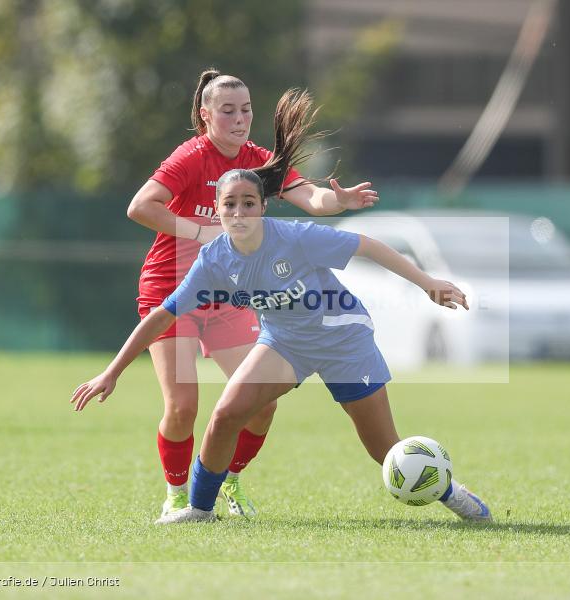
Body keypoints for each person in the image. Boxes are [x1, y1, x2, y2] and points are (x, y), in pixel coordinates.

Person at [73, 168, 492, 523]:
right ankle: (199, 512)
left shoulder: (294, 237)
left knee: (384, 449)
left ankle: (453, 494)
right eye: (230, 204)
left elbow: (369, 246)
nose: (239, 212)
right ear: (216, 210)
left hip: (343, 340)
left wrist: (428, 284)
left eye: (249, 203)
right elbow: (163, 315)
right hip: (285, 343)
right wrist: (113, 371)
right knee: (225, 414)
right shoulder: (213, 258)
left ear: (263, 207)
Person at [125, 69, 378, 522]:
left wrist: (338, 203)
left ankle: (228, 481)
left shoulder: (259, 160)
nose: (239, 119)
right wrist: (202, 231)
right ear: (205, 116)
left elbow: (312, 199)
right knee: (183, 407)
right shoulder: (189, 157)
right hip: (173, 287)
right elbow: (140, 206)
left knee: (261, 407)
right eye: (227, 111)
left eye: (246, 110)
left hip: (232, 295)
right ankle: (177, 496)